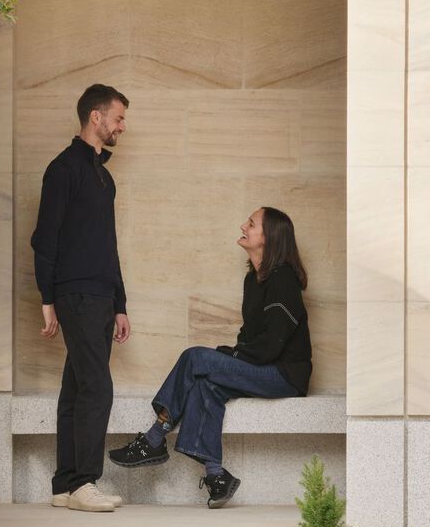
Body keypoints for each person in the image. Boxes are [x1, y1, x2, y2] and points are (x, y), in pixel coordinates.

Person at [109, 205, 313, 508]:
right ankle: (217, 476)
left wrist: (228, 357)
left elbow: (272, 345)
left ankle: (154, 438)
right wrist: (230, 357)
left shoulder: (282, 279)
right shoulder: (254, 280)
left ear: (268, 237)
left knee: (195, 358)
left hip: (284, 375)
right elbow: (250, 336)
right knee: (206, 385)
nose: (244, 225)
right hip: (263, 368)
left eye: (252, 223)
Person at [31, 83, 133, 513]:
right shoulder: (63, 168)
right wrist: (47, 298)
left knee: (76, 387)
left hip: (101, 296)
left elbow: (108, 246)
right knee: (97, 387)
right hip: (76, 295)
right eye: (118, 118)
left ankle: (65, 483)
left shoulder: (103, 176)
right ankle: (85, 482)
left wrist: (121, 303)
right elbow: (44, 238)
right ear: (96, 117)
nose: (121, 127)